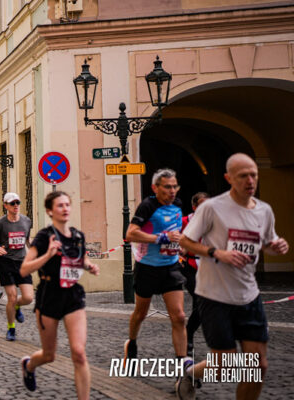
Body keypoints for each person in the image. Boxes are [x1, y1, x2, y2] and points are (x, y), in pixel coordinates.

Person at [177, 154, 289, 400]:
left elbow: (267, 242)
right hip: (214, 297)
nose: (250, 181)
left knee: (257, 366)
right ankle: (192, 373)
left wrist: (277, 246)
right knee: (223, 366)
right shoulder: (211, 208)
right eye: (243, 176)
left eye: (254, 175)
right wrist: (217, 253)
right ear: (229, 178)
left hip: (249, 296)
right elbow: (185, 242)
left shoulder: (264, 210)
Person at [19, 191, 100, 398]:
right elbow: (24, 270)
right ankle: (29, 365)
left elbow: (80, 260)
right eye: (60, 206)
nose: (65, 209)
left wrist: (90, 266)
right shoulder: (44, 237)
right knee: (49, 354)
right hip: (50, 295)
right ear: (50, 211)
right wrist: (48, 255)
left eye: (67, 205)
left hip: (73, 295)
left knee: (79, 354)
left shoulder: (77, 236)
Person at [124, 169, 187, 365]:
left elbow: (175, 232)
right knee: (140, 313)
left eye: (174, 186)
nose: (172, 191)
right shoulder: (147, 206)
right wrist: (160, 238)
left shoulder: (178, 205)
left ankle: (181, 365)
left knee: (179, 316)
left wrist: (181, 245)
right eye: (167, 187)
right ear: (155, 188)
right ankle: (132, 343)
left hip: (171, 267)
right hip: (147, 268)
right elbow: (131, 234)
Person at [0, 193, 33, 341]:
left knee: (28, 297)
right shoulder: (0, 224)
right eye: (12, 203)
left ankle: (17, 307)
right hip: (6, 262)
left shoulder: (26, 221)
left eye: (17, 202)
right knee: (12, 297)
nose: (15, 205)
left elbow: (27, 240)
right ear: (6, 205)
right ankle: (11, 328)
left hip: (22, 262)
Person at [180, 192, 209, 354]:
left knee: (201, 305)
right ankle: (188, 336)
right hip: (189, 265)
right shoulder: (185, 221)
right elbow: (172, 237)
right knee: (200, 299)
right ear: (194, 207)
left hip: (208, 266)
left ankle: (188, 333)